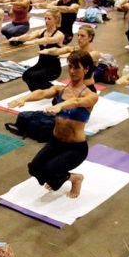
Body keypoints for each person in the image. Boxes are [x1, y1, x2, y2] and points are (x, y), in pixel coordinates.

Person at [22, 51, 98, 198]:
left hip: (75, 148)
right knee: (34, 169)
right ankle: (57, 177)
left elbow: (76, 101)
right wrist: (24, 99)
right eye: (70, 66)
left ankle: (75, 178)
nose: (72, 71)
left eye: (77, 67)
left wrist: (60, 105)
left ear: (86, 69)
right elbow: (42, 93)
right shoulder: (60, 90)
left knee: (51, 170)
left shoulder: (90, 95)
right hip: (55, 143)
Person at [13, 9, 66, 90]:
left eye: (49, 19)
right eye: (45, 18)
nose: (46, 21)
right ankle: (43, 92)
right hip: (41, 64)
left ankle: (55, 90)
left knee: (34, 77)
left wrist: (32, 42)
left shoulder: (59, 35)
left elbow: (47, 40)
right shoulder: (42, 31)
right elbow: (29, 36)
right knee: (26, 76)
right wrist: (17, 38)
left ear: (56, 20)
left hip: (53, 69)